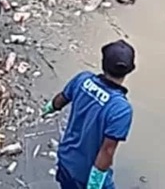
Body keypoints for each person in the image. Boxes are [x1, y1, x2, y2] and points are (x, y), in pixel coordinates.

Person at [42, 40, 136, 189]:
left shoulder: (82, 80)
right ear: (130, 70)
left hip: (66, 160)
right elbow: (107, 150)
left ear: (103, 63)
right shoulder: (121, 109)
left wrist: (48, 108)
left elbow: (60, 100)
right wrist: (94, 184)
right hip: (86, 174)